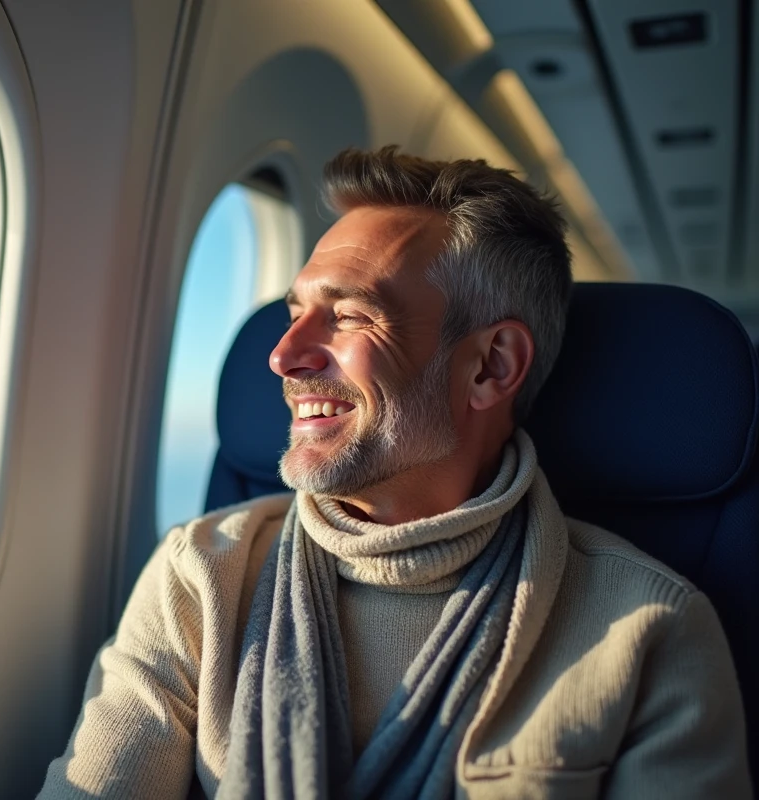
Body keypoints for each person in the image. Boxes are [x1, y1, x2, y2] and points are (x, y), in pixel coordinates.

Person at [38, 146, 752, 799]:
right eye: (295, 314)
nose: (283, 357)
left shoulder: (650, 628)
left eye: (348, 316)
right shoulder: (200, 576)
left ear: (490, 366)